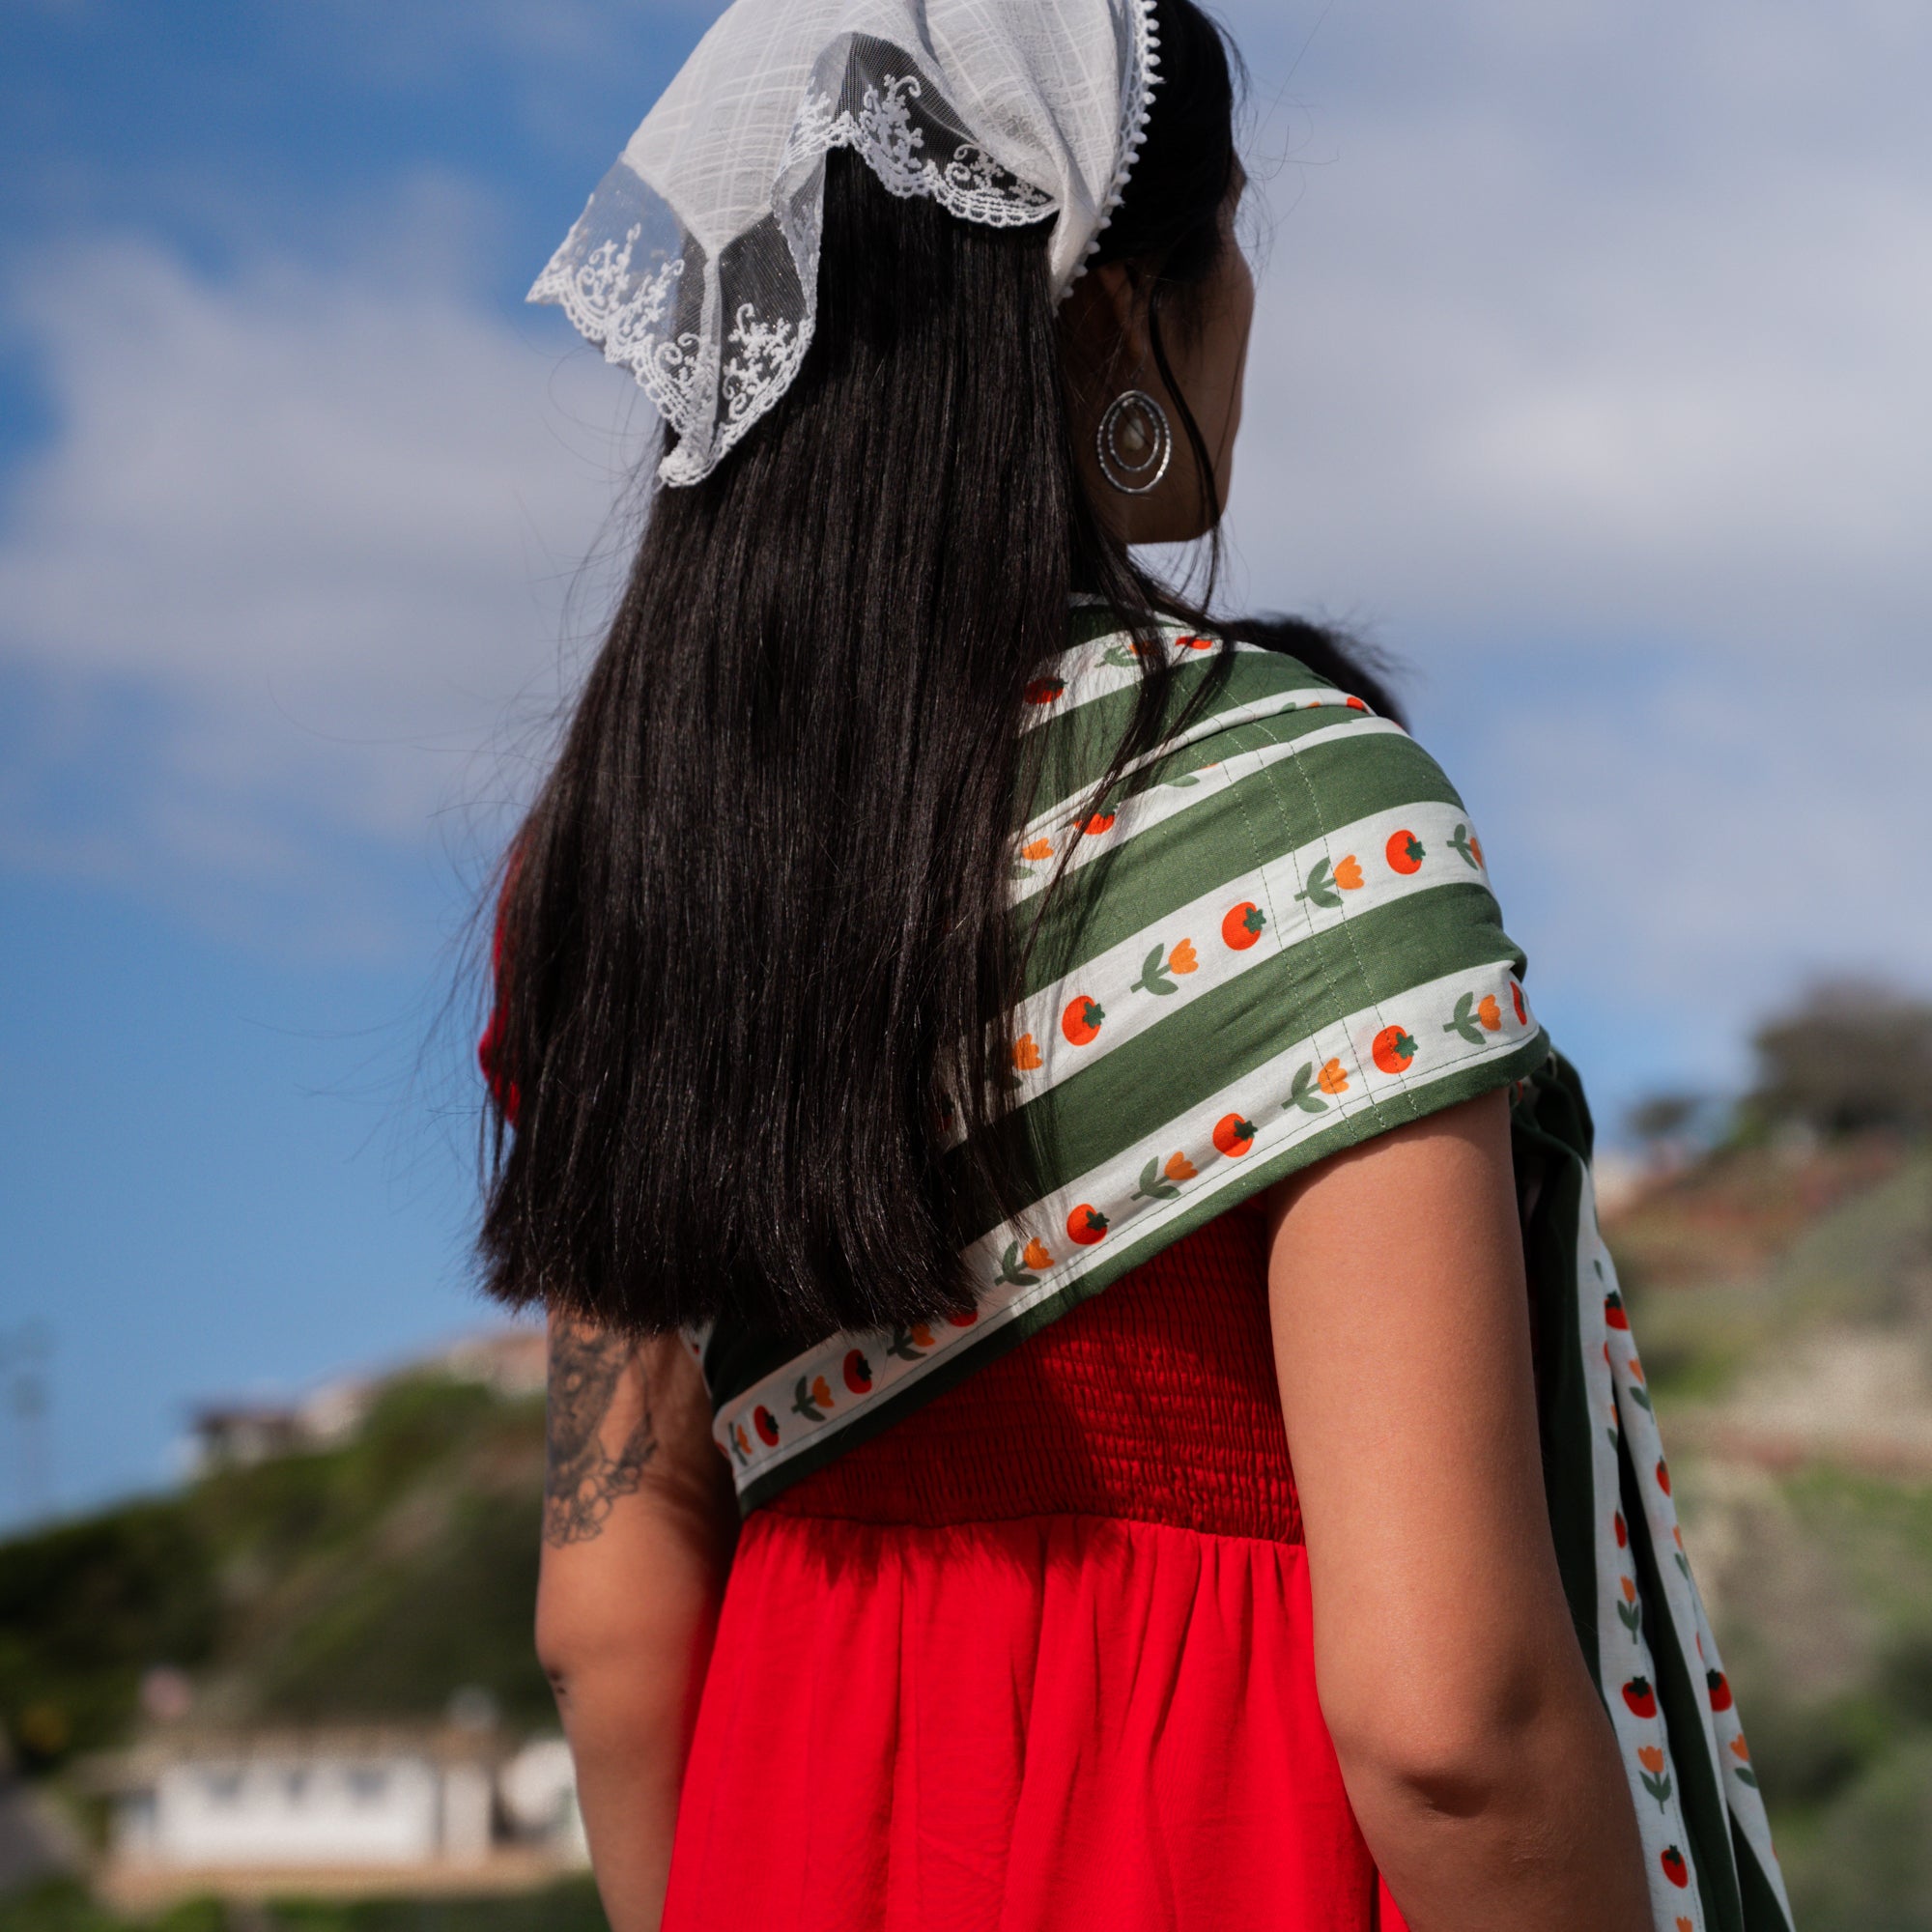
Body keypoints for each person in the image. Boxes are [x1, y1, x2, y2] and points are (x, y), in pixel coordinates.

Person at [477, 2, 1792, 1927]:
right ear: (1109, 309)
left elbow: (606, 1624)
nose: (1248, 294)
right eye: (1228, 230)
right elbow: (1450, 1721)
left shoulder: (624, 875)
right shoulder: (1291, 803)